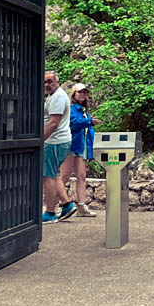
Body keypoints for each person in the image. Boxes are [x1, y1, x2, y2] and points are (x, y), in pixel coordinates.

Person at [42, 71, 76, 223]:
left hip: (54, 142)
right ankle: (67, 204)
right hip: (59, 141)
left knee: (47, 176)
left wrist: (40, 139)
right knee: (54, 174)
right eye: (45, 82)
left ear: (58, 82)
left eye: (50, 81)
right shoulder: (55, 96)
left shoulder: (58, 97)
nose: (47, 85)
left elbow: (53, 123)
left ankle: (50, 213)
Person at [62, 83, 99, 217]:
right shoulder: (71, 109)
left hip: (81, 147)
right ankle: (51, 206)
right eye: (80, 92)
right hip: (71, 146)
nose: (83, 95)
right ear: (74, 94)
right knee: (64, 176)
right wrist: (90, 122)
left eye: (84, 92)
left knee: (81, 176)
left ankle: (82, 206)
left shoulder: (84, 111)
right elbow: (74, 123)